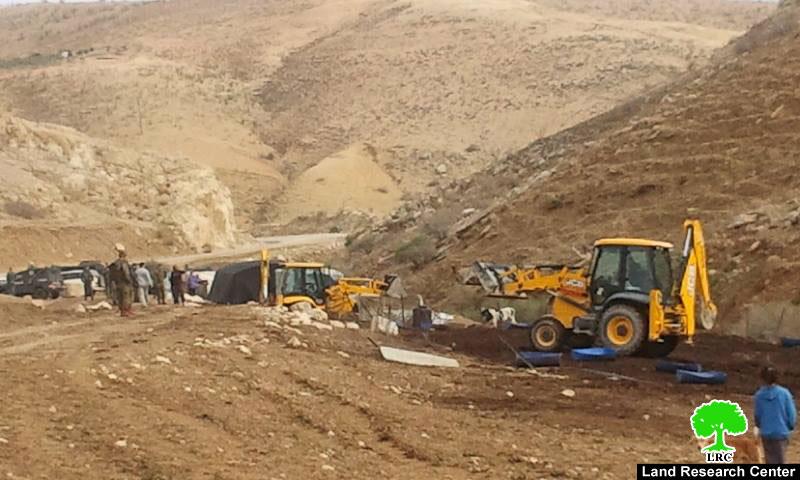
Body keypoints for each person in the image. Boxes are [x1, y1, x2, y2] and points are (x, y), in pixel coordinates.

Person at [755, 364, 797, 464]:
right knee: (781, 459)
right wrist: (790, 426)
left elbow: (757, 415)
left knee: (769, 460)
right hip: (781, 432)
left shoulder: (759, 395)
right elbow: (791, 414)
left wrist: (760, 426)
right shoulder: (785, 393)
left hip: (766, 433)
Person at [108, 245, 134, 317]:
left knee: (120, 298)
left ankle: (122, 311)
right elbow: (126, 273)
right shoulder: (123, 263)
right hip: (125, 283)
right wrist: (130, 281)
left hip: (117, 283)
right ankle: (127, 311)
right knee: (126, 297)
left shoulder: (115, 263)